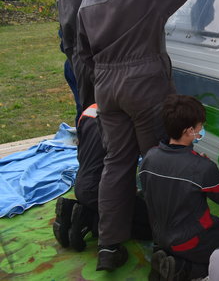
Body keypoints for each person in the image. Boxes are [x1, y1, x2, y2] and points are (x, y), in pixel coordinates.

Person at [76, 0, 219, 272]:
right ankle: (175, 244)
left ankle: (110, 246)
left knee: (116, 163)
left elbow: (83, 54)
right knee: (163, 163)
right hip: (144, 84)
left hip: (107, 89)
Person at [139, 94, 219, 281]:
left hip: (160, 235)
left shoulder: (150, 157)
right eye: (200, 126)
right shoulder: (201, 168)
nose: (202, 129)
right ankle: (181, 269)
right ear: (189, 131)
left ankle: (167, 257)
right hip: (190, 240)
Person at [53, 104, 152, 252]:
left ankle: (75, 210)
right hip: (103, 191)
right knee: (150, 225)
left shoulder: (89, 111)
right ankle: (90, 219)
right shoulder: (128, 118)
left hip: (81, 183)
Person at [53, 0, 100, 124]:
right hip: (81, 62)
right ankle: (90, 147)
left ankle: (85, 144)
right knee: (91, 112)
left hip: (72, 62)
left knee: (84, 110)